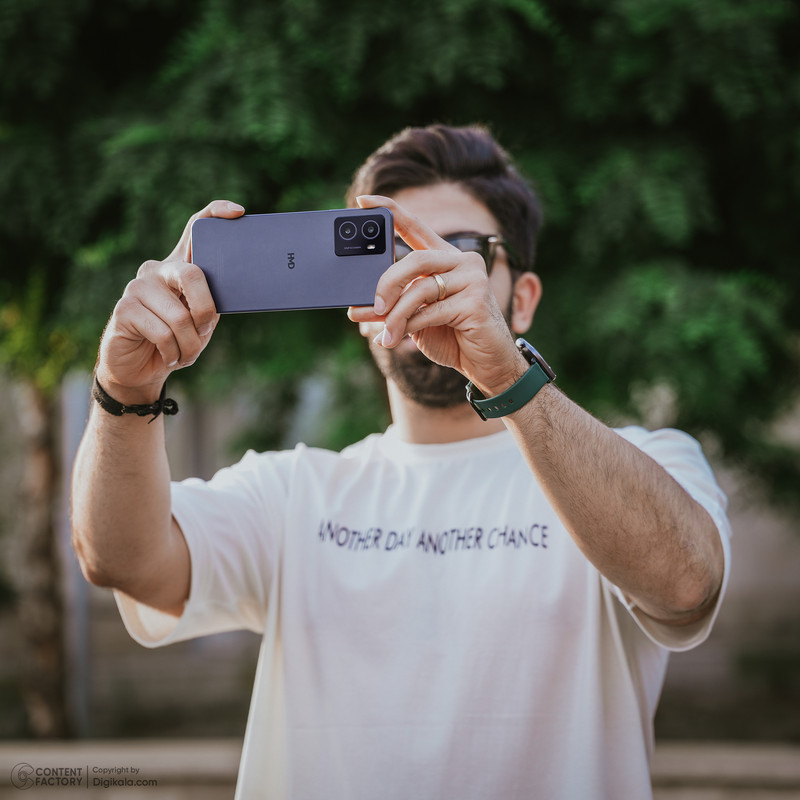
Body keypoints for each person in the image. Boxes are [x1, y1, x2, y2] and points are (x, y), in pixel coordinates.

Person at [71, 124, 730, 799]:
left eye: (462, 251)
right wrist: (124, 390)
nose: (426, 274)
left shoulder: (643, 463)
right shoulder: (293, 492)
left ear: (523, 298)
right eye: (392, 252)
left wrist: (507, 376)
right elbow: (122, 560)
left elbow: (687, 586)